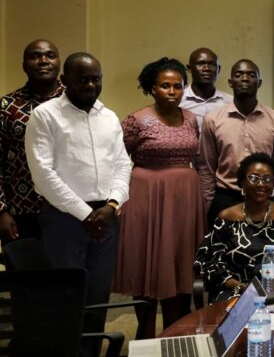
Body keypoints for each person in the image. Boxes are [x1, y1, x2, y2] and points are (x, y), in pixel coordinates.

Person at [24, 52, 132, 354]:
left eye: (95, 78)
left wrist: (111, 206)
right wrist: (87, 214)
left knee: (97, 297)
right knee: (67, 299)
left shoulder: (108, 116)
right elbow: (43, 175)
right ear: (64, 81)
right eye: (82, 79)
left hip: (106, 218)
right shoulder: (45, 115)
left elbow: (123, 164)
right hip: (64, 219)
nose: (90, 84)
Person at [112, 57, 204, 338]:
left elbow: (194, 156)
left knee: (179, 264)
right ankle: (145, 333)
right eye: (165, 86)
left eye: (178, 86)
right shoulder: (137, 120)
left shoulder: (190, 119)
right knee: (147, 266)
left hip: (184, 199)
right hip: (146, 198)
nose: (172, 91)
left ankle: (176, 331)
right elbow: (117, 159)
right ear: (152, 88)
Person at [0, 39, 64, 267]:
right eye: (35, 56)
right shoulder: (5, 107)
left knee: (67, 286)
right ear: (24, 65)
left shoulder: (77, 102)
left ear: (58, 62)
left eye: (50, 55)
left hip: (70, 211)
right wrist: (0, 211)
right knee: (26, 286)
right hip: (21, 213)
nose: (43, 61)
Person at [194, 153, 274, 302]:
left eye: (267, 179)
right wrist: (242, 287)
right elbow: (207, 262)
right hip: (236, 293)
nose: (261, 184)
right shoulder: (227, 218)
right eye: (254, 178)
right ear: (241, 182)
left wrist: (273, 287)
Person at [198, 59, 274, 229]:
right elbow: (206, 168)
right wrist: (207, 205)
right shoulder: (213, 119)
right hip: (225, 198)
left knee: (263, 251)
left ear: (259, 82)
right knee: (224, 253)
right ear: (230, 82)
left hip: (264, 198)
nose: (245, 79)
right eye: (239, 74)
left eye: (251, 75)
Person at [180, 47, 232, 130]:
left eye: (212, 64)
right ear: (189, 68)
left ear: (218, 69)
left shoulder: (230, 103)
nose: (207, 69)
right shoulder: (178, 101)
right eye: (200, 64)